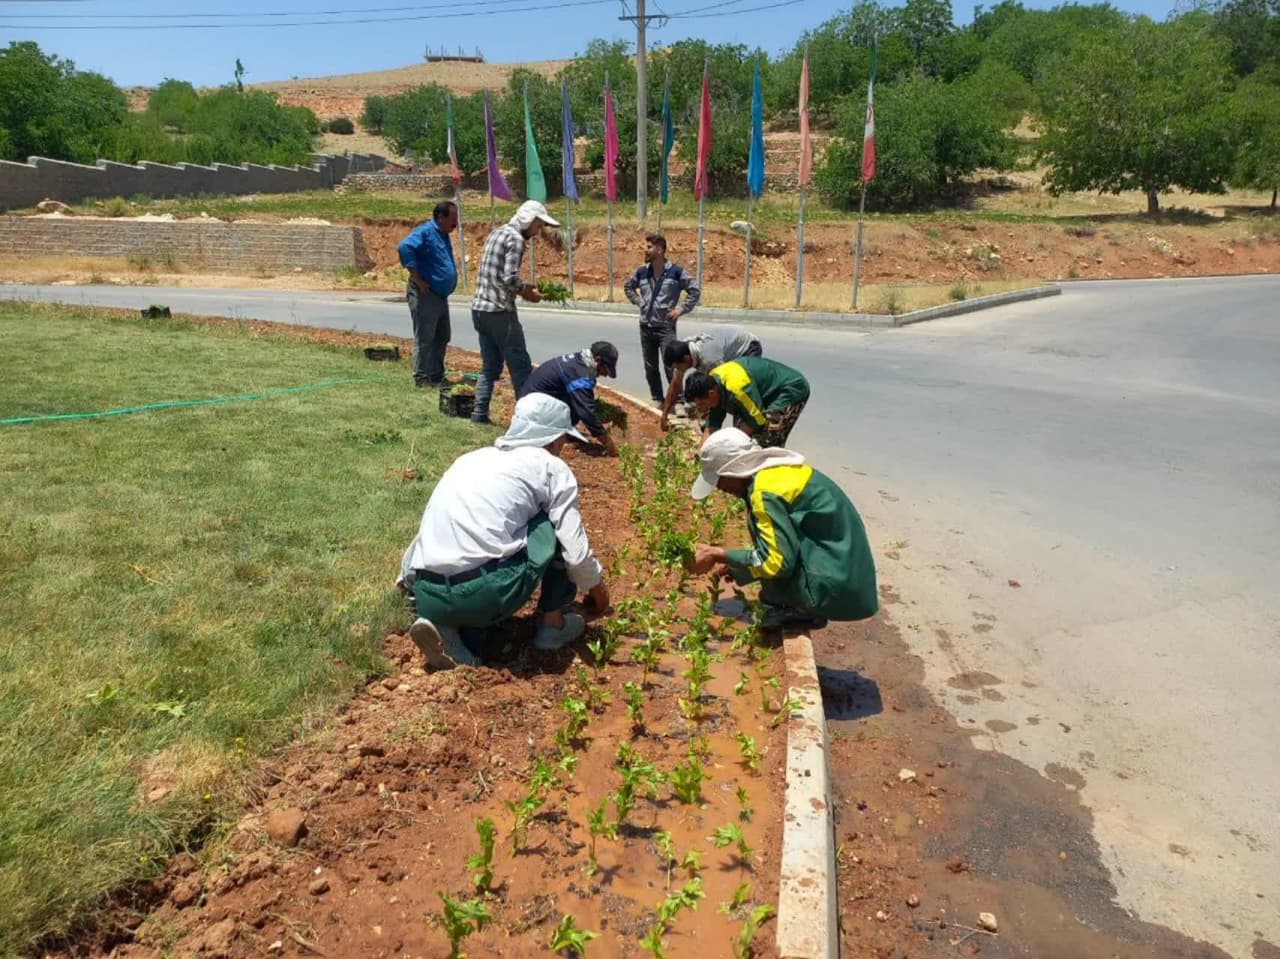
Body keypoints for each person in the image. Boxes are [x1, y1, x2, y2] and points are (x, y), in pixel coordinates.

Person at [398, 393, 611, 669]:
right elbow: (575, 552)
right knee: (552, 522)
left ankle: (452, 634)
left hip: (427, 591)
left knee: (487, 538)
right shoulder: (551, 468)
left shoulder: (470, 459)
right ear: (552, 439)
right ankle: (552, 626)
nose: (563, 446)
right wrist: (597, 588)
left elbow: (425, 532)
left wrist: (410, 586)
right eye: (563, 439)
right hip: (483, 594)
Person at [686, 428, 877, 629]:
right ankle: (798, 605)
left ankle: (803, 609)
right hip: (846, 573)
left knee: (767, 610)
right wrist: (739, 568)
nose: (719, 488)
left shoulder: (764, 492)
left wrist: (719, 554)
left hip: (835, 583)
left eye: (719, 480)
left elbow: (777, 563)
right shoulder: (773, 475)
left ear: (732, 471)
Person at [469, 200, 561, 425]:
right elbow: (509, 279)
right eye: (538, 226)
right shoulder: (516, 239)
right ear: (529, 221)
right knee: (520, 366)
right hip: (500, 312)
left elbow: (497, 274)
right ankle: (527, 420)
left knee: (490, 365)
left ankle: (479, 413)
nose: (538, 232)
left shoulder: (497, 232)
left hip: (480, 309)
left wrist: (524, 287)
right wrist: (527, 292)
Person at [623, 233, 701, 407]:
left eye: (649, 247)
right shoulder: (642, 272)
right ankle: (657, 398)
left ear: (659, 249)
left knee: (671, 366)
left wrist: (681, 309)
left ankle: (678, 402)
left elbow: (694, 290)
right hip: (646, 326)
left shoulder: (676, 272)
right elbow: (628, 286)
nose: (645, 250)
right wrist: (640, 302)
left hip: (665, 327)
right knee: (650, 366)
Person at [683, 356, 810, 448]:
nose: (703, 408)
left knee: (766, 440)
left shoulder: (738, 389)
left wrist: (730, 445)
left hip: (789, 389)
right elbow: (712, 427)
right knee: (741, 439)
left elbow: (756, 420)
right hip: (758, 395)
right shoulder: (712, 385)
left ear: (711, 394)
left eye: (703, 404)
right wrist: (701, 452)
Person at [521, 341, 621, 457]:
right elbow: (586, 413)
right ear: (598, 360)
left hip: (532, 403)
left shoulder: (579, 362)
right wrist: (609, 444)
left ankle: (565, 431)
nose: (605, 374)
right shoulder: (581, 374)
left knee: (577, 401)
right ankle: (555, 433)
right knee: (579, 404)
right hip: (533, 412)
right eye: (605, 369)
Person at [398, 201, 459, 388]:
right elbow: (404, 247)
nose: (455, 224)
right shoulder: (426, 232)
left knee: (442, 336)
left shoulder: (443, 234)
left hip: (440, 295)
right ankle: (421, 377)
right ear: (440, 217)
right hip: (426, 294)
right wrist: (417, 278)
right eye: (453, 219)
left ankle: (436, 374)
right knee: (425, 337)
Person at [658, 325, 762, 432]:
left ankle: (742, 432)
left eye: (678, 367)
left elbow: (718, 391)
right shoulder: (682, 350)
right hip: (726, 346)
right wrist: (664, 414)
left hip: (747, 347)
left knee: (737, 396)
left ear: (686, 358)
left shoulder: (710, 360)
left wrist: (704, 413)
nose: (678, 369)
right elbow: (675, 386)